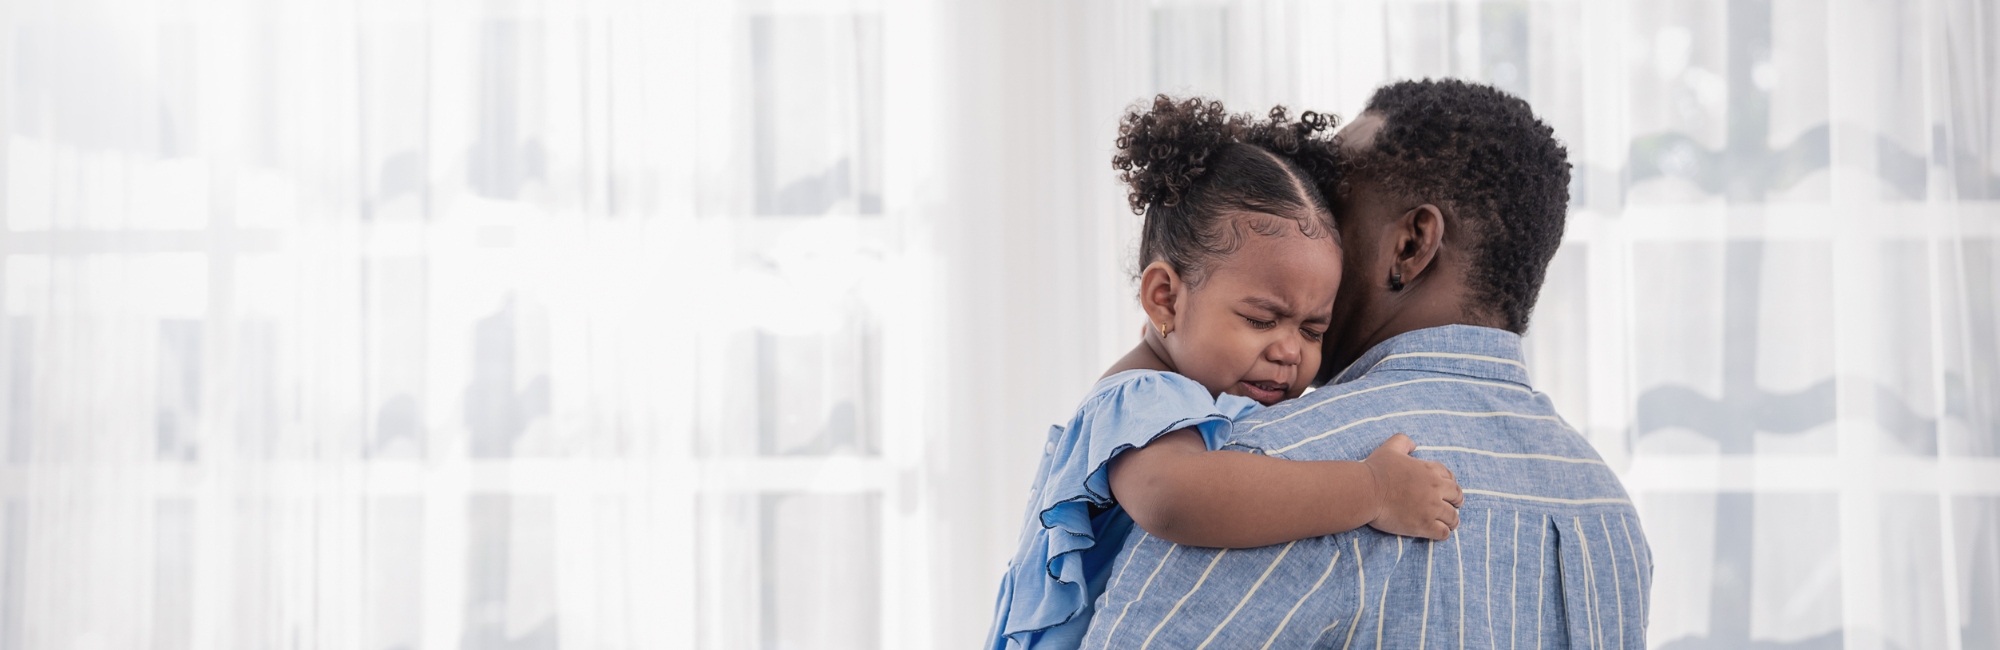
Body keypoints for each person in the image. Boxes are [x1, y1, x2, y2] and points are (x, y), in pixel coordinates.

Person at [1080, 79, 1652, 649]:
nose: (1308, 225)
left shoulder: (1262, 474)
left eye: (1331, 203)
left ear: (1410, 246)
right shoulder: (1609, 515)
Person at [984, 96, 1466, 650]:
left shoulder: (1189, 396)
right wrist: (1372, 490)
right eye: (1262, 319)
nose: (1291, 351)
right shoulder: (1142, 397)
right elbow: (1176, 498)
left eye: (1313, 330)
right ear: (1165, 299)